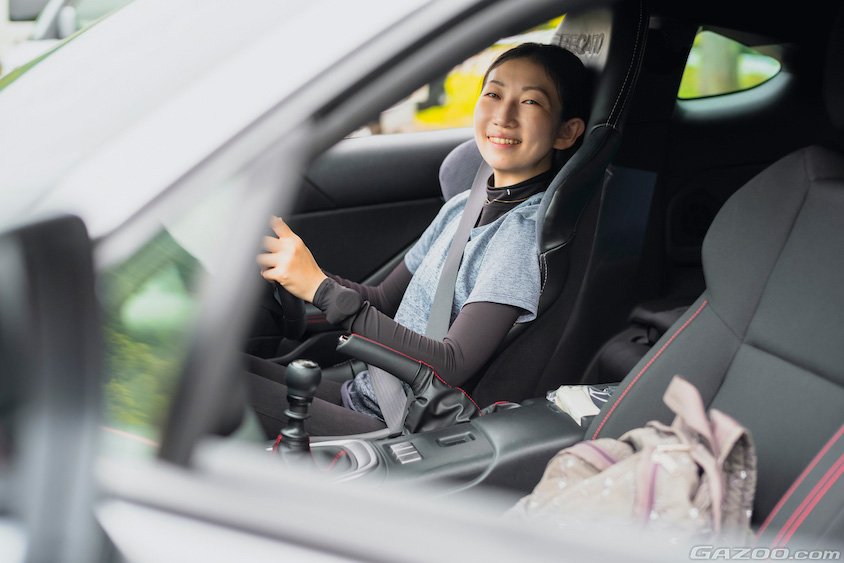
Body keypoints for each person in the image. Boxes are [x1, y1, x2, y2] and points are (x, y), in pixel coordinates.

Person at [248, 42, 591, 438]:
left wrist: (321, 290)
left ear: (566, 133)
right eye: (493, 94)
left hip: (402, 425)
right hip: (366, 390)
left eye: (530, 102)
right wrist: (293, 271)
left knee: (211, 390)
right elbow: (381, 301)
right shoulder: (464, 205)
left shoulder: (517, 239)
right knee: (210, 366)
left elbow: (450, 364)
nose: (503, 115)